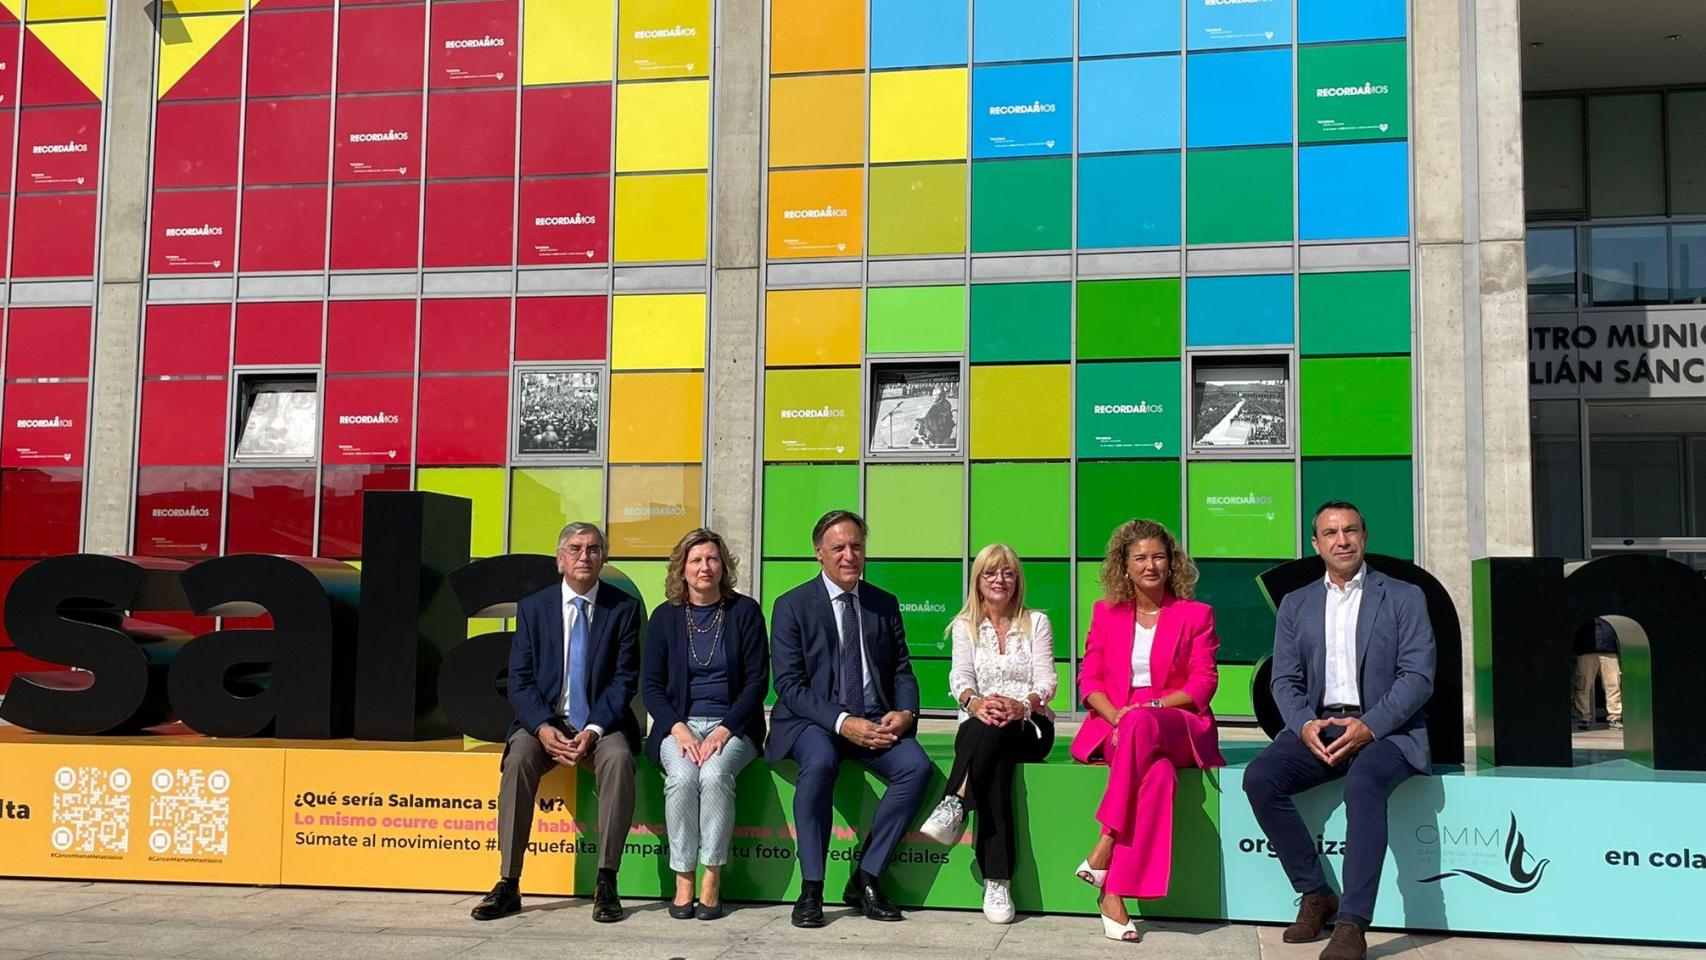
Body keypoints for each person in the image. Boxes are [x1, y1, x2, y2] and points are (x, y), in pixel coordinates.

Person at [1241, 501, 1435, 960]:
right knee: (1260, 779)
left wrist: (1370, 726)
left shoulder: (1404, 596)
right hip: (1322, 725)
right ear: (1316, 544)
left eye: (1350, 530)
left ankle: (1351, 923)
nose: (1341, 540)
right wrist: (1305, 724)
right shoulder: (1297, 602)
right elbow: (1283, 679)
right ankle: (1314, 892)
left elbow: (1418, 677)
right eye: (1330, 533)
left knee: (1364, 784)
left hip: (1390, 730)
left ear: (1365, 537)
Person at [471, 522, 643, 923]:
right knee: (517, 761)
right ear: (560, 559)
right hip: (545, 722)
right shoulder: (534, 608)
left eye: (594, 549)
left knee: (618, 760)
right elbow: (520, 678)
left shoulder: (623, 609)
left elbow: (624, 679)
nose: (585, 556)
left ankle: (606, 879)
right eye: (576, 548)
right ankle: (508, 882)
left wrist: (594, 728)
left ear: (603, 558)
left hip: (601, 724)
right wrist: (543, 727)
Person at [767, 509, 931, 928]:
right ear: (819, 554)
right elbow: (789, 686)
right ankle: (812, 888)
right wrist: (842, 722)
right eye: (838, 547)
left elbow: (901, 670)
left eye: (856, 546)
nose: (849, 555)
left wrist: (906, 712)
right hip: (814, 722)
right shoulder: (791, 605)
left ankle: (867, 877)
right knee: (820, 763)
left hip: (875, 719)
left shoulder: (883, 603)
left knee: (915, 767)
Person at [1070, 519, 1224, 943]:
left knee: (1143, 723)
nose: (1150, 565)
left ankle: (1105, 843)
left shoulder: (1195, 615)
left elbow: (1202, 685)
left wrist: (1148, 708)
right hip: (1118, 720)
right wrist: (1119, 715)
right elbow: (1090, 679)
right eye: (1140, 558)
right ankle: (1112, 892)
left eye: (1158, 556)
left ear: (1171, 563)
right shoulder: (1106, 613)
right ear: (1125, 566)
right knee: (1157, 778)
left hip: (1176, 720)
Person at [916, 543, 1058, 924]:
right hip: (980, 723)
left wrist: (1022, 705)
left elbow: (1047, 680)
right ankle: (998, 880)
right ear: (978, 581)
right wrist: (975, 702)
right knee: (992, 759)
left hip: (1031, 725)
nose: (1000, 580)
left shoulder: (1037, 622)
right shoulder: (965, 626)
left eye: (1008, 573)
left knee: (993, 734)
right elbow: (960, 677)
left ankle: (956, 802)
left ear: (1018, 580)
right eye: (991, 573)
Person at [640, 528, 769, 921]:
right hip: (677, 726)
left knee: (713, 776)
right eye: (695, 560)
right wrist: (677, 728)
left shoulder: (744, 612)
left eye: (712, 559)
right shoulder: (665, 618)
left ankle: (712, 876)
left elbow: (757, 682)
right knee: (681, 778)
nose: (704, 567)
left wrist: (726, 728)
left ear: (723, 566)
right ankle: (684, 878)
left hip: (734, 726)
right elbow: (651, 685)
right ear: (681, 569)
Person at [1572, 616, 1621, 731]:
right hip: (1587, 649)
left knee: (1613, 686)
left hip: (1607, 649)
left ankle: (1615, 718)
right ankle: (1583, 717)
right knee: (1583, 685)